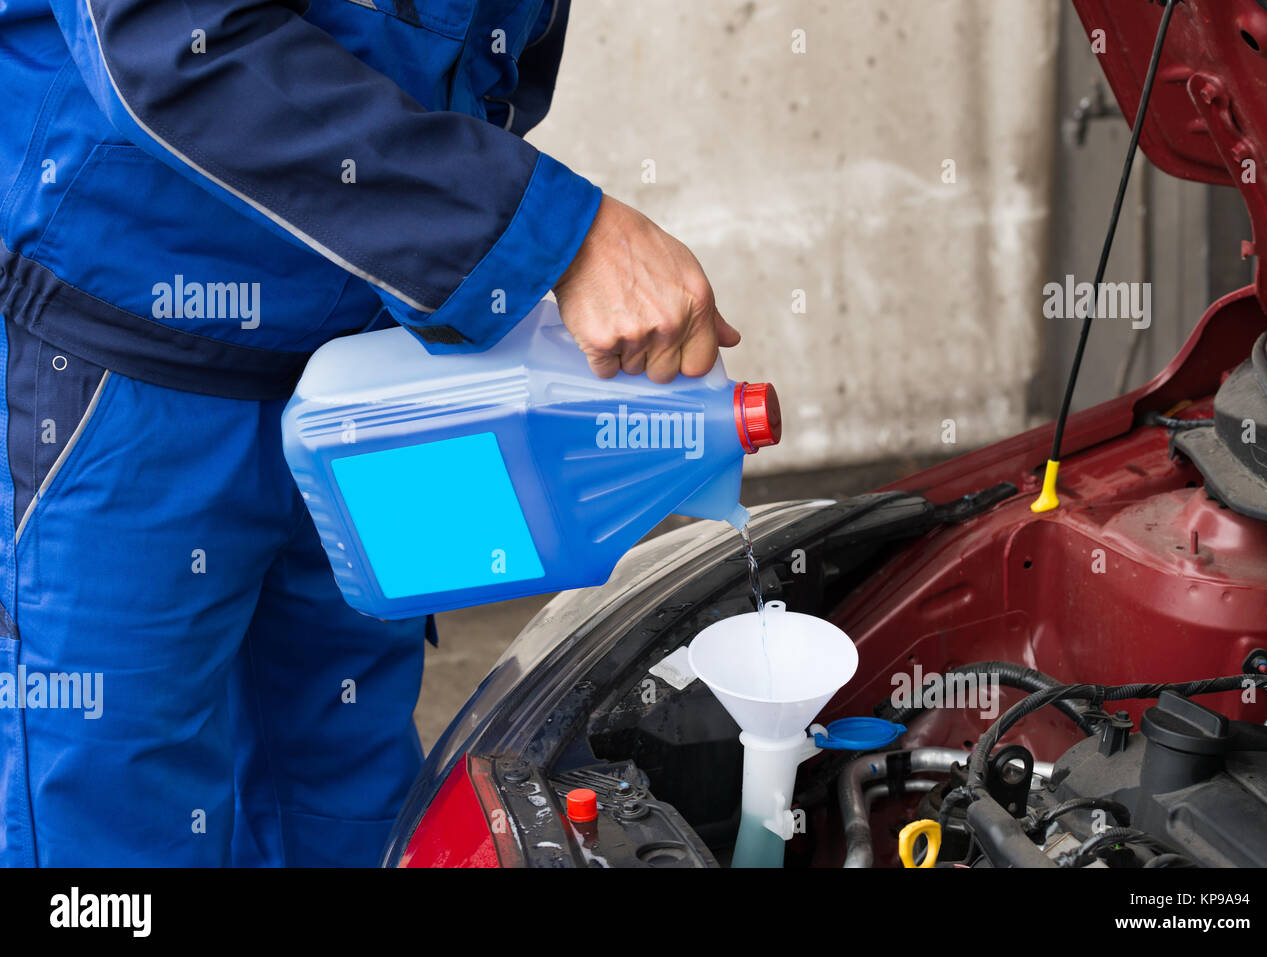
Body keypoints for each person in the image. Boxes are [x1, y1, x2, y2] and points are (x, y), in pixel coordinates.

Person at [0, 0, 740, 866]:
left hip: (369, 379)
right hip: (128, 373)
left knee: (354, 809)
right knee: (118, 830)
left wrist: (465, 251)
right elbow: (168, 39)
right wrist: (550, 232)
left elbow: (493, 53)